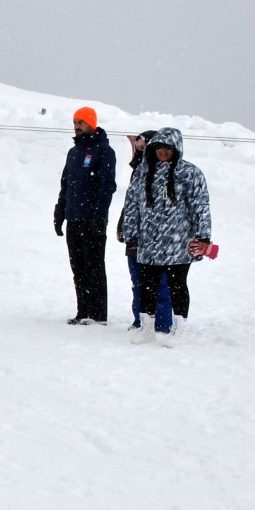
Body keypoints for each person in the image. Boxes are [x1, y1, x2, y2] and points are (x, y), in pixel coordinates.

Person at [118, 127, 213, 344]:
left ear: (176, 149)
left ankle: (180, 330)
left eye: (167, 148)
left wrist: (204, 236)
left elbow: (201, 206)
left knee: (177, 285)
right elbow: (131, 205)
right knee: (146, 286)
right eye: (159, 147)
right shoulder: (143, 172)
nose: (162, 151)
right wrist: (130, 234)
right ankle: (147, 328)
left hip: (178, 243)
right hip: (148, 242)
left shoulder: (190, 173)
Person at [53, 106, 118, 325]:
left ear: (92, 123)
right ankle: (83, 311)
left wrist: (99, 215)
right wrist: (60, 212)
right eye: (75, 122)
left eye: (82, 122)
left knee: (94, 267)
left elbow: (107, 186)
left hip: (92, 220)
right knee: (78, 267)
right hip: (74, 217)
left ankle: (98, 315)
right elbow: (66, 185)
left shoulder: (103, 150)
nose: (78, 126)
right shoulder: (73, 152)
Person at [119, 130, 174, 334]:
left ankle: (161, 324)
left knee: (160, 285)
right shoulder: (139, 172)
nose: (139, 152)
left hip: (159, 240)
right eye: (137, 148)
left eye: (143, 148)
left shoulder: (164, 173)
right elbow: (131, 205)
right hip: (135, 239)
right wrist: (123, 228)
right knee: (138, 283)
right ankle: (140, 322)